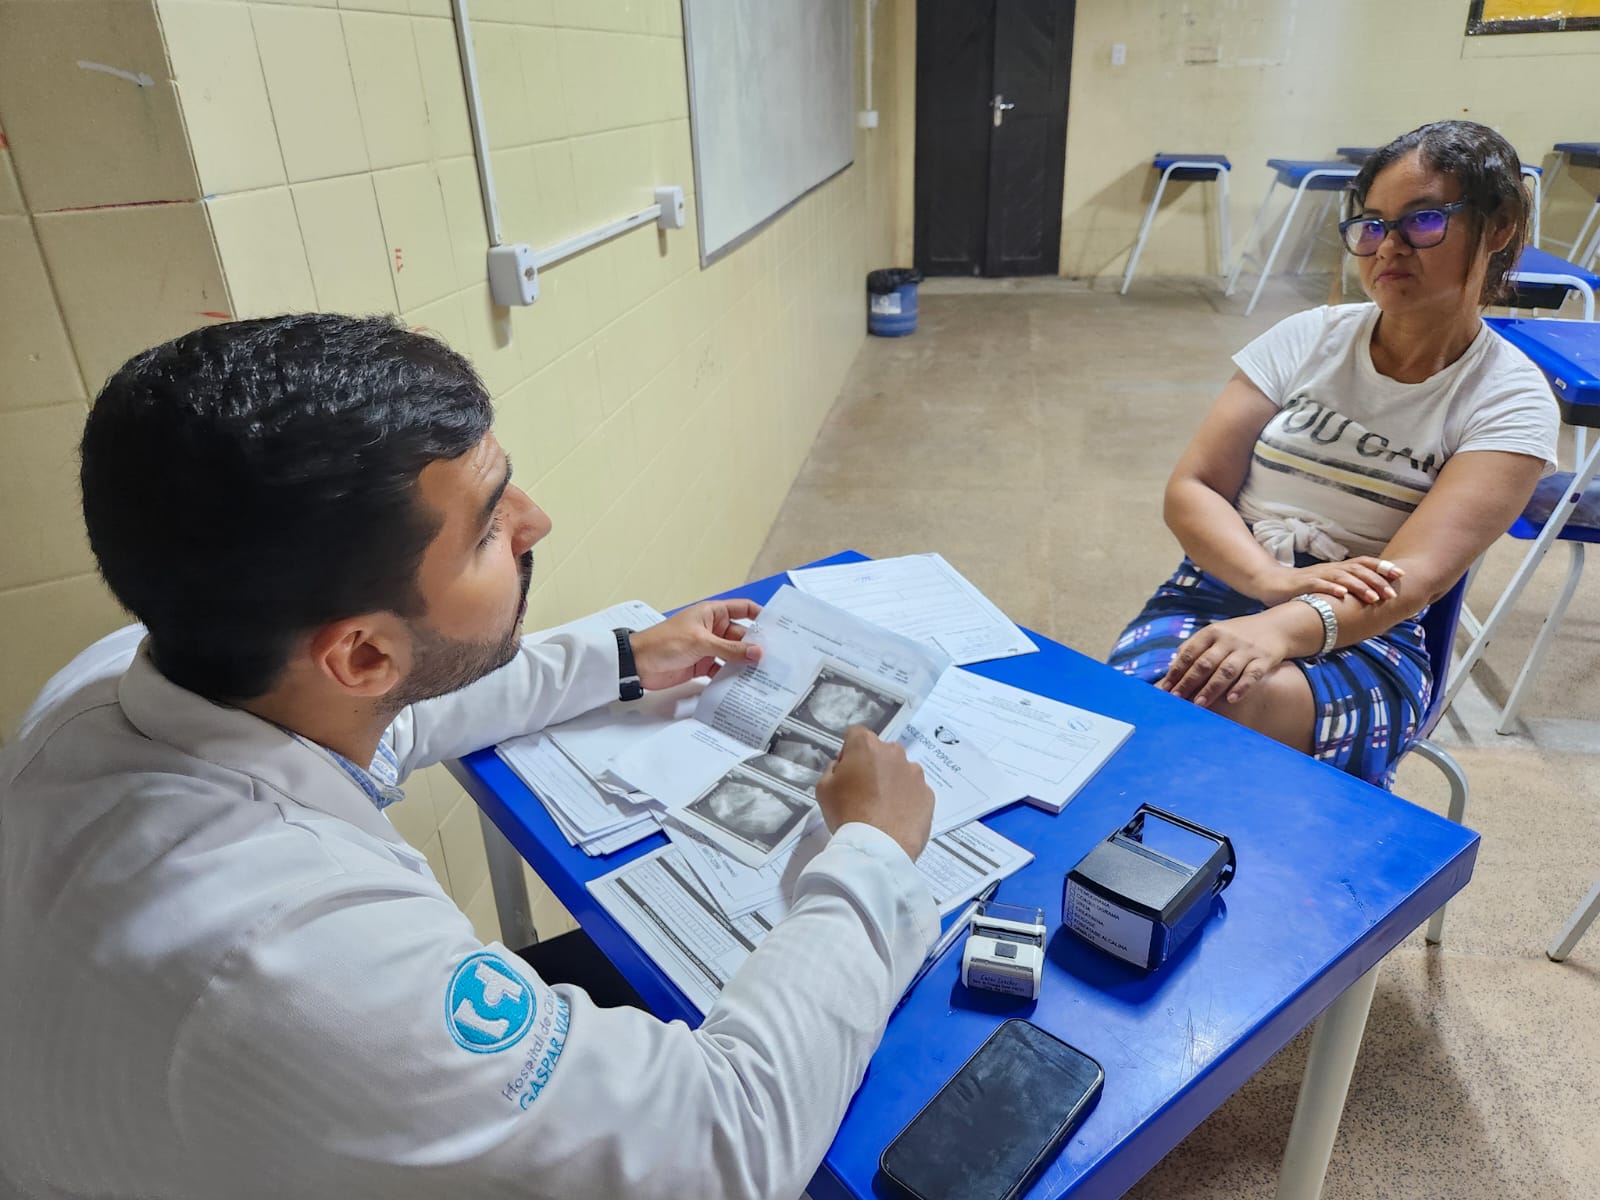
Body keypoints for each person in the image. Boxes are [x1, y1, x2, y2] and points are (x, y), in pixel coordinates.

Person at [0, 314, 939, 1199]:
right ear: (361, 651)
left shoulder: (126, 680)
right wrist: (869, 853)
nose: (534, 523)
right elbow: (719, 1147)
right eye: (488, 526)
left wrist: (624, 659)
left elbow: (388, 717)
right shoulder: (303, 966)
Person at [1108, 121, 1559, 787]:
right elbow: (1194, 487)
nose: (1388, 247)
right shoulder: (1307, 338)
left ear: (1501, 226)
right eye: (1372, 225)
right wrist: (1268, 582)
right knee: (1132, 717)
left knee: (1198, 714)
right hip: (1220, 586)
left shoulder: (1509, 400)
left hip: (1368, 633)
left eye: (1424, 220)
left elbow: (1414, 578)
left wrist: (1282, 627)